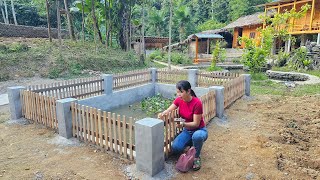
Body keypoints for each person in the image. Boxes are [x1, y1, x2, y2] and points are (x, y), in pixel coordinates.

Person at [159, 80, 208, 171]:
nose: (179, 94)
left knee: (197, 136)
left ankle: (196, 157)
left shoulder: (197, 103)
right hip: (187, 131)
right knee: (176, 147)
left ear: (188, 91)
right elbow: (169, 110)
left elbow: (196, 124)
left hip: (199, 130)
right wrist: (163, 114)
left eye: (181, 92)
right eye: (177, 92)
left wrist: (183, 124)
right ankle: (192, 145)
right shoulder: (179, 100)